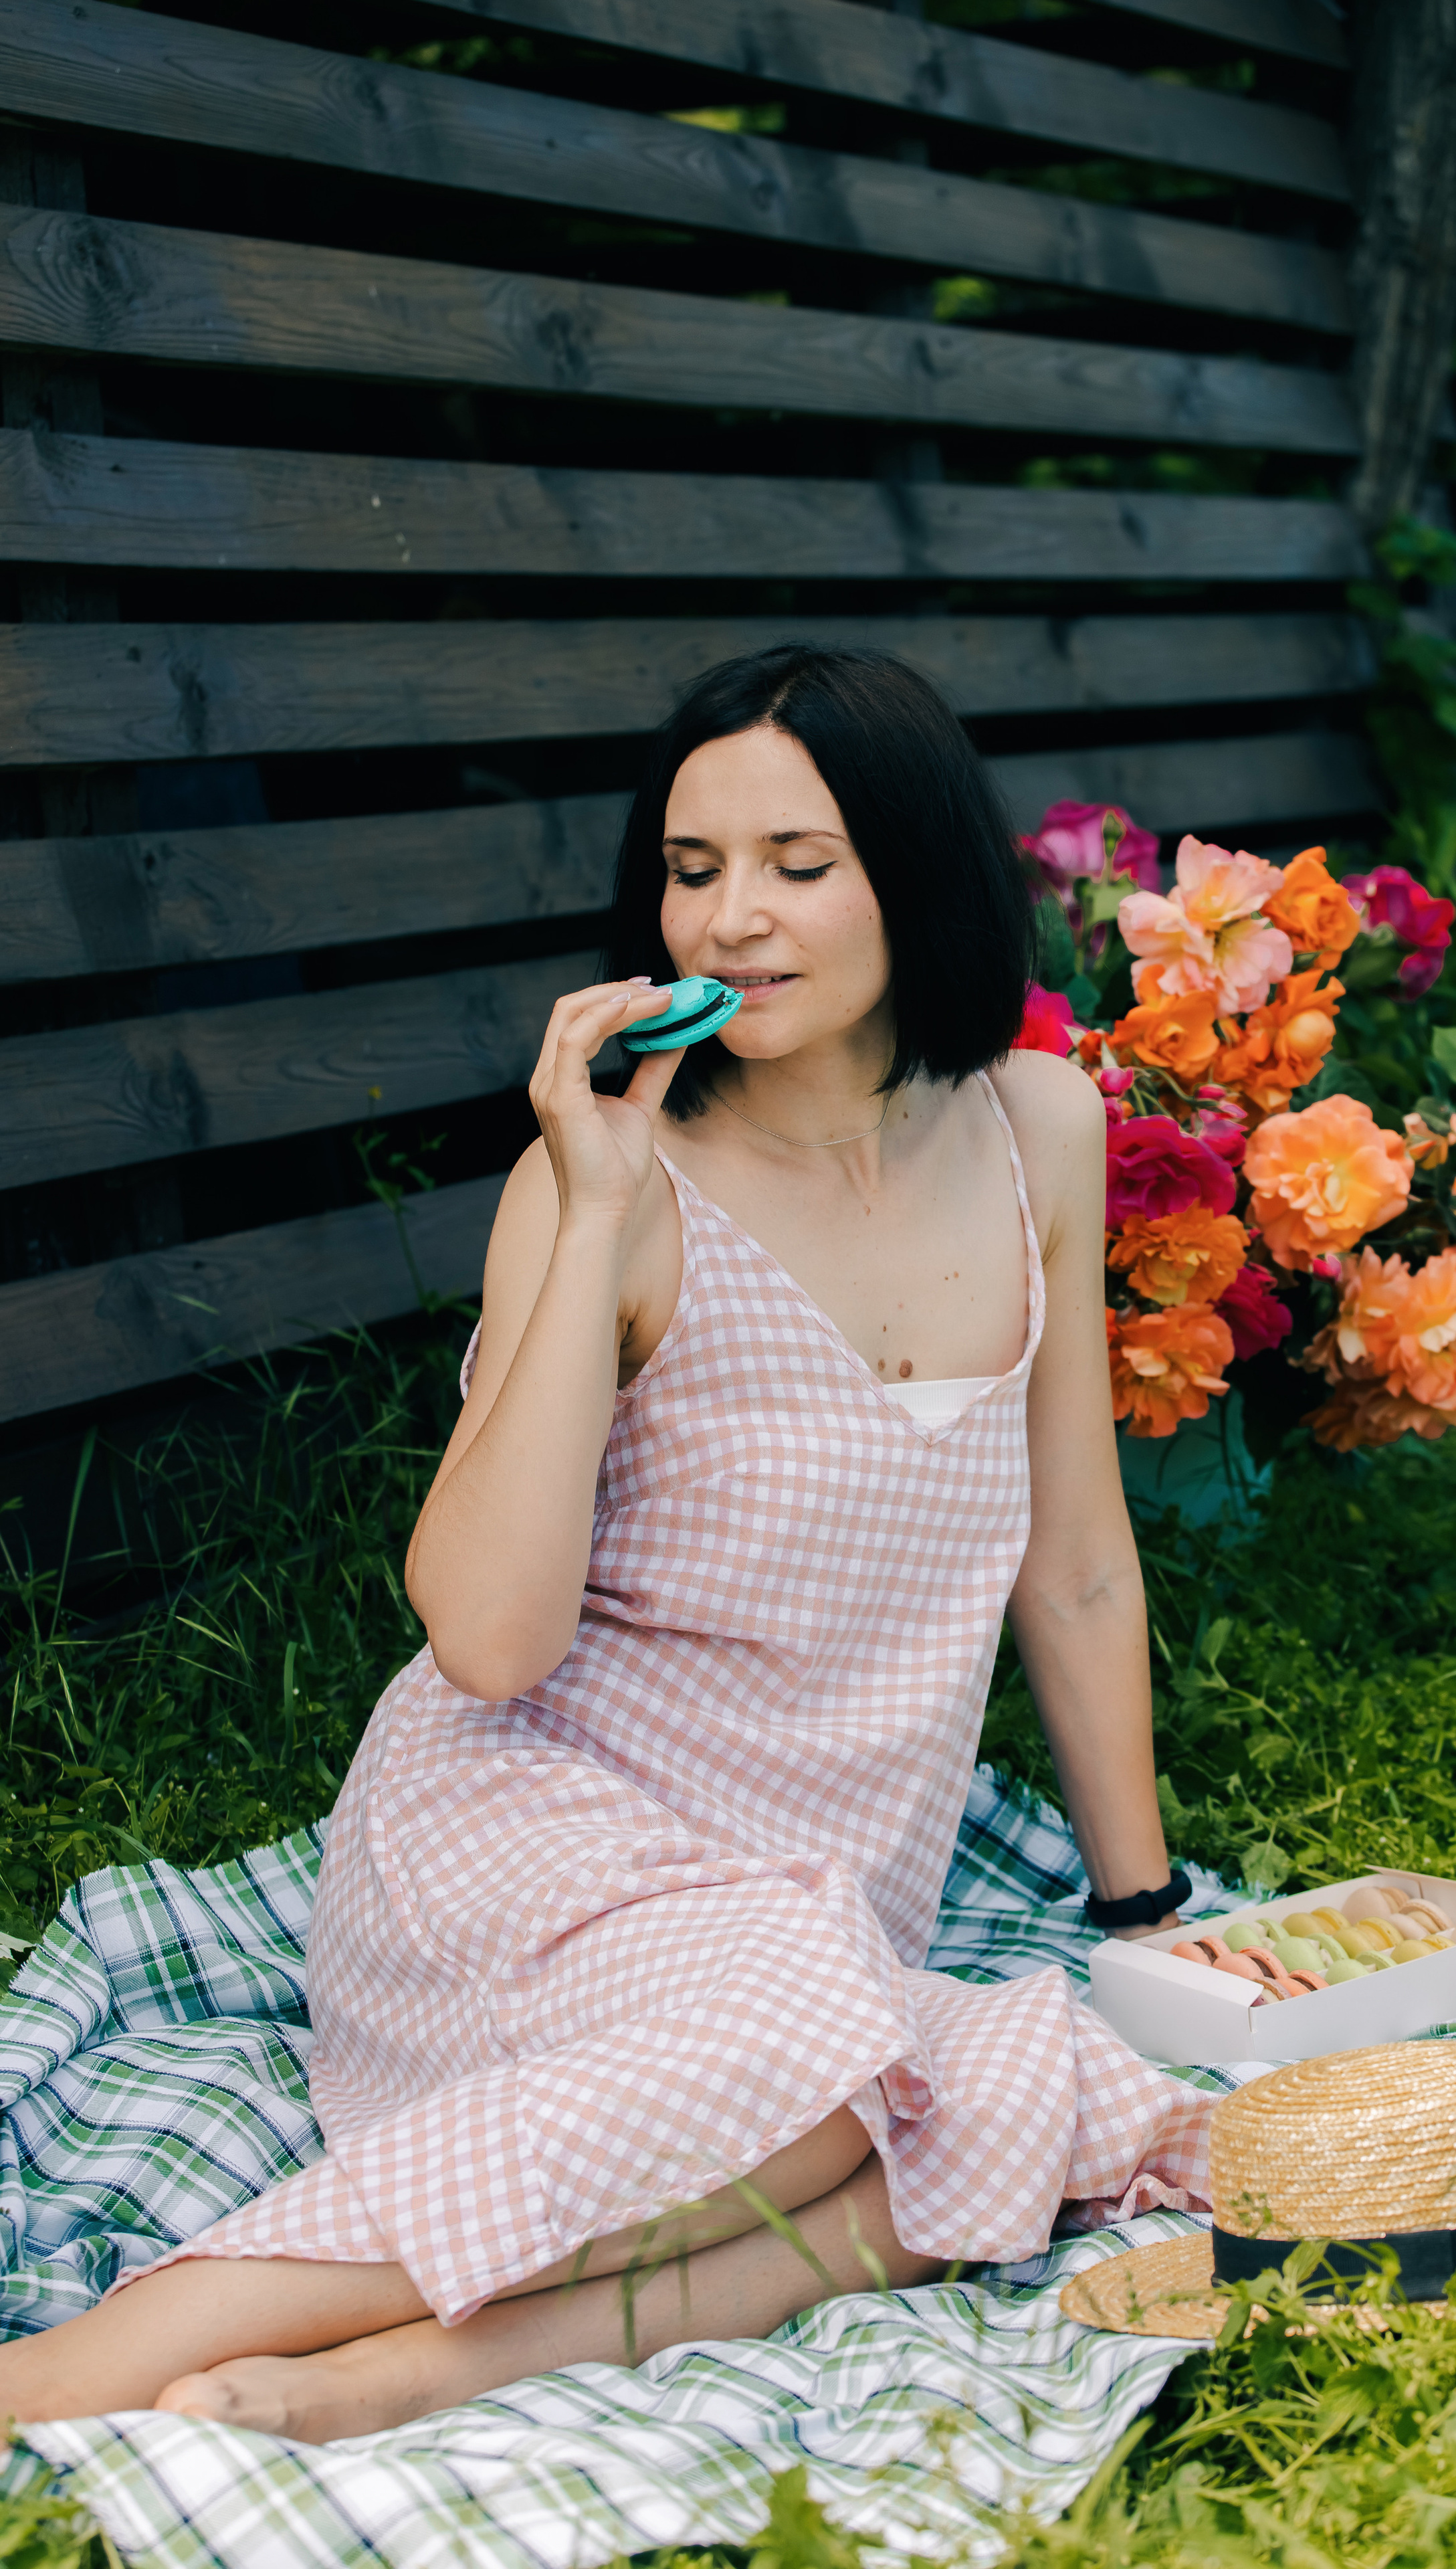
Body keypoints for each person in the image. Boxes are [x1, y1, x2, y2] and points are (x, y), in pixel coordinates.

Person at [1, 646, 1208, 2441]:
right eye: (693, 868)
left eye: (800, 864)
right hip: (529, 1857)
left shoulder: (1038, 1126)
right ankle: (45, 2387)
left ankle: (434, 2366)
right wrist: (595, 1201)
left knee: (986, 2102)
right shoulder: (611, 1195)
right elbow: (488, 1640)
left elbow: (1078, 1562)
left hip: (805, 1923)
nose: (735, 918)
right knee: (853, 2072)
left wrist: (1146, 1911)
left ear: (918, 872)